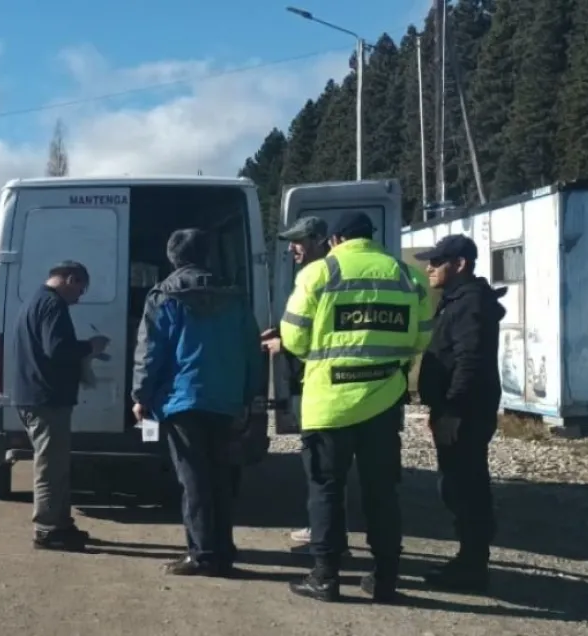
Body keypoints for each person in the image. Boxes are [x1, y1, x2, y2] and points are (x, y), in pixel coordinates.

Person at [277, 211, 432, 602]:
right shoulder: (407, 275)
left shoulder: (319, 274)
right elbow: (421, 337)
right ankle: (385, 579)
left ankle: (326, 578)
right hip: (382, 403)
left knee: (326, 489)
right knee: (382, 492)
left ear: (335, 240)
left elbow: (293, 338)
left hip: (329, 405)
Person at [131, 228, 263, 577]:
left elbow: (151, 351)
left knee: (193, 481)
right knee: (221, 477)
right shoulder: (234, 296)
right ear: (208, 255)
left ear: (172, 258)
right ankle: (223, 548)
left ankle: (203, 554)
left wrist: (141, 396)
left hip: (183, 400)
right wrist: (251, 395)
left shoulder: (164, 296)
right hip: (226, 399)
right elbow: (252, 349)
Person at [414, 234, 505, 593]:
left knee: (465, 487)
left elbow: (470, 360)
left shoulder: (470, 304)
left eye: (438, 261)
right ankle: (468, 559)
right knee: (457, 486)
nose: (429, 268)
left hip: (465, 412)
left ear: (461, 264)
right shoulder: (458, 300)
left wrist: (452, 409)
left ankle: (472, 565)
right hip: (457, 409)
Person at [261, 216, 353, 553]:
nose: (292, 248)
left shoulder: (320, 275)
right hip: (325, 383)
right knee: (328, 468)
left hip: (322, 386)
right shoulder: (326, 274)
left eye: (298, 241)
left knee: (323, 469)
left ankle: (326, 538)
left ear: (319, 239)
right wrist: (282, 333)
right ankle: (325, 529)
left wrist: (283, 344)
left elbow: (321, 336)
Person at [11, 261, 110, 551]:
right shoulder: (53, 306)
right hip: (46, 399)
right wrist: (90, 347)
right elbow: (57, 349)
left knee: (56, 465)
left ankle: (61, 524)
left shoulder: (34, 302)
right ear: (69, 279)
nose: (80, 298)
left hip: (35, 395)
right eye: (81, 289)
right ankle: (48, 529)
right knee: (51, 467)